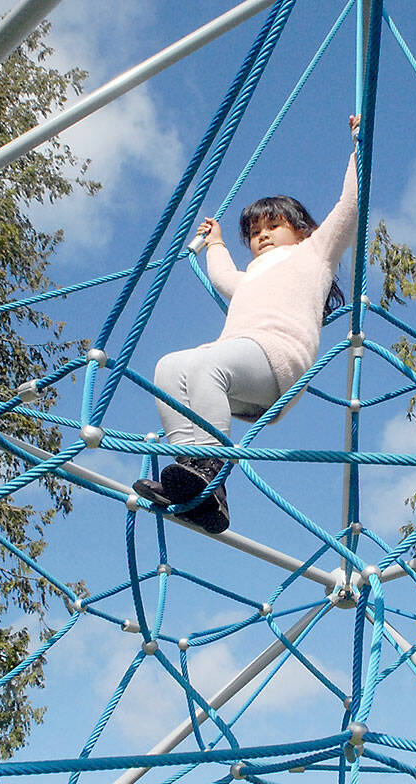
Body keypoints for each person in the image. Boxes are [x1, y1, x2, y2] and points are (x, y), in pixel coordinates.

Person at [134, 115, 361, 534]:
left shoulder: (313, 255)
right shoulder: (251, 275)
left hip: (279, 361)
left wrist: (357, 148)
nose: (263, 236)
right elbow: (223, 277)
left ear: (301, 229)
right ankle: (194, 482)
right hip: (240, 370)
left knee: (206, 366)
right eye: (255, 232)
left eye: (274, 225)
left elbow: (349, 208)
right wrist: (217, 243)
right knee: (167, 367)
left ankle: (210, 471)